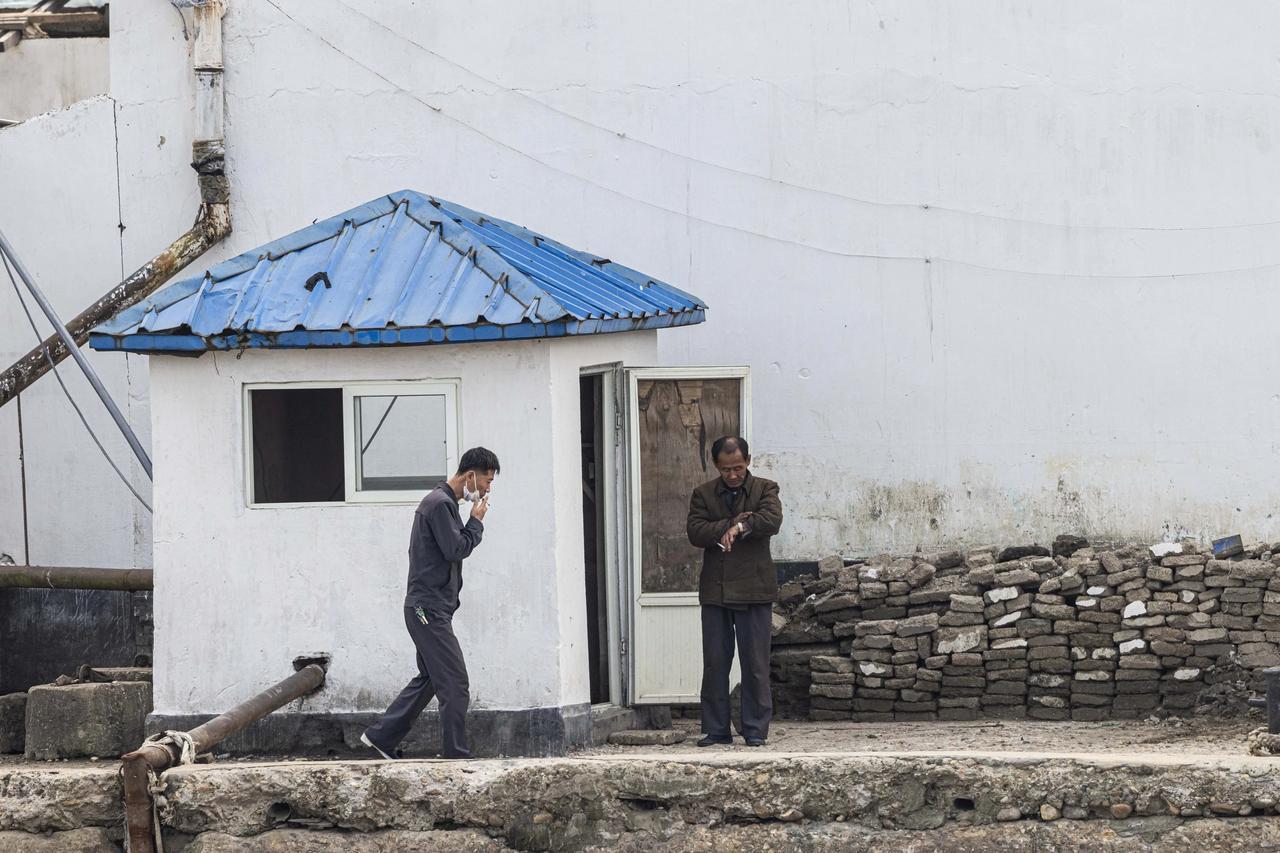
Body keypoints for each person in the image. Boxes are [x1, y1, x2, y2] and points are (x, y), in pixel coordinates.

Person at [361, 447, 499, 760]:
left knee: (430, 679)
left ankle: (381, 737)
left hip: (429, 608)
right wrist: (476, 522)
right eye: (487, 481)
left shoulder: (443, 504)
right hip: (427, 610)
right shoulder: (440, 504)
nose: (487, 489)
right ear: (470, 475)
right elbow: (456, 549)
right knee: (455, 681)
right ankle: (455, 754)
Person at [686, 436, 783, 747]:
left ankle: (755, 729)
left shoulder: (765, 488)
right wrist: (730, 522)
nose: (732, 475)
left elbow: (771, 520)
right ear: (716, 465)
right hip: (716, 590)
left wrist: (741, 527)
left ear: (748, 461)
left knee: (755, 663)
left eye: (738, 468)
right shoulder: (702, 494)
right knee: (715, 662)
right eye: (726, 469)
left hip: (755, 588)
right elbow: (695, 532)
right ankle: (716, 729)